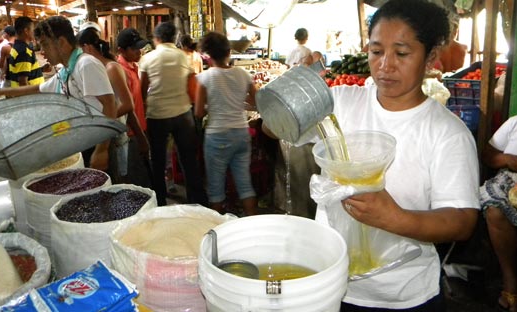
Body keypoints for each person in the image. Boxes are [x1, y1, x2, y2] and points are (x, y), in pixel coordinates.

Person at [263, 0, 479, 310]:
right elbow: (275, 130)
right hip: (330, 282)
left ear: (431, 57)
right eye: (376, 51)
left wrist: (396, 218)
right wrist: (289, 96)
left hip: (403, 294)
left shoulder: (446, 132)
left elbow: (462, 221)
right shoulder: (339, 101)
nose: (385, 65)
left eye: (402, 53)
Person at [0, 16, 116, 172]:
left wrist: (102, 150)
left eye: (45, 44)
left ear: (61, 42)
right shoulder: (66, 71)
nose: (42, 51)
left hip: (98, 143)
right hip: (82, 142)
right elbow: (36, 89)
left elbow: (110, 104)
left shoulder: (86, 64)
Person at [139, 21, 207, 206]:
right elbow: (190, 86)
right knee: (188, 160)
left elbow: (142, 89)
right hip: (183, 114)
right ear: (175, 38)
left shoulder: (148, 58)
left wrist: (146, 107)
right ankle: (196, 202)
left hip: (157, 115)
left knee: (159, 161)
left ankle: (160, 202)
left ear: (157, 39)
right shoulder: (184, 57)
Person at [194, 31, 258, 216]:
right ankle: (253, 227)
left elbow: (198, 112)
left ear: (208, 55)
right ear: (228, 52)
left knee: (215, 188)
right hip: (241, 133)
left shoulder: (205, 78)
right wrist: (238, 103)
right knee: (245, 184)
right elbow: (256, 102)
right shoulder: (243, 74)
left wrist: (212, 105)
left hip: (217, 135)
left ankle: (220, 235)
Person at [77, 25, 147, 184]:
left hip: (120, 135)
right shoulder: (99, 68)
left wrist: (99, 122)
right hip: (114, 133)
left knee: (124, 180)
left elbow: (128, 105)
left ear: (86, 48)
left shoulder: (111, 68)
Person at [480, 115, 517, 312]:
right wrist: (507, 159)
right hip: (509, 180)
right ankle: (510, 280)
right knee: (494, 211)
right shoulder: (514, 123)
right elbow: (488, 155)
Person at [116, 27, 152, 188]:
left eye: (140, 47)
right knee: (137, 180)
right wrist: (140, 136)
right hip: (131, 133)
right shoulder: (121, 71)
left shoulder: (133, 66)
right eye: (134, 48)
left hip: (139, 130)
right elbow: (128, 109)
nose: (139, 51)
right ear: (121, 50)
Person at [7, 16, 44, 87]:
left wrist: (41, 69)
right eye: (33, 29)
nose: (34, 32)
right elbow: (23, 82)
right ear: (26, 31)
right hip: (32, 96)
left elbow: (23, 71)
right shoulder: (24, 51)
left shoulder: (16, 47)